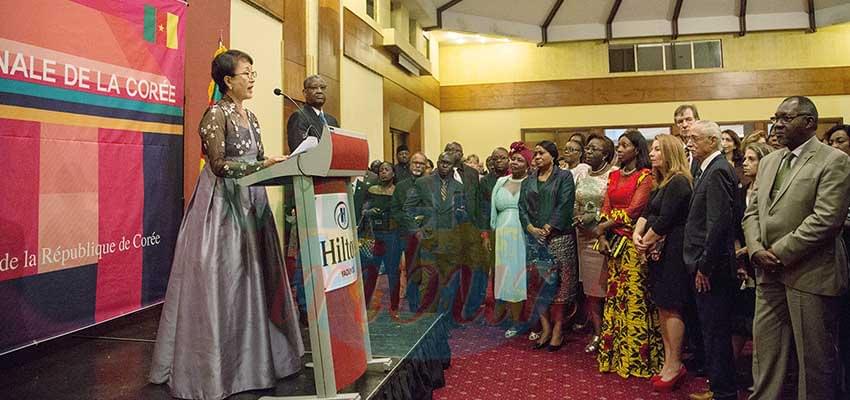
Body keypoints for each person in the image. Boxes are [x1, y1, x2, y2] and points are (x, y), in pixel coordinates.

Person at [150, 50, 304, 400]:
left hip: (252, 203)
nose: (252, 78)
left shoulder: (250, 115)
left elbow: (256, 157)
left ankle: (259, 361)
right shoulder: (214, 115)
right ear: (227, 81)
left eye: (253, 72)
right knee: (225, 279)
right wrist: (261, 164)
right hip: (222, 205)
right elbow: (219, 165)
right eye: (246, 73)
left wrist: (270, 163)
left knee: (256, 279)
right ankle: (219, 370)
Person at [744, 96, 850, 400]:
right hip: (767, 273)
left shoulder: (833, 160)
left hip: (810, 273)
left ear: (810, 123)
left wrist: (778, 252)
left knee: (814, 362)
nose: (777, 124)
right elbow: (752, 213)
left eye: (786, 118)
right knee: (765, 356)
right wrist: (755, 250)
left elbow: (827, 219)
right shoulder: (768, 161)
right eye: (775, 117)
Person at [596, 129, 662, 378]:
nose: (620, 149)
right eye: (618, 145)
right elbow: (605, 207)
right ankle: (615, 356)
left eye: (624, 145)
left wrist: (603, 227)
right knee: (614, 297)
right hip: (611, 243)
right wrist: (601, 235)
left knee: (634, 300)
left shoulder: (645, 176)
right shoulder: (613, 175)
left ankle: (636, 358)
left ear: (637, 149)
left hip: (634, 242)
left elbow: (635, 210)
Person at [683, 120, 740, 400]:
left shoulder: (717, 171)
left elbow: (718, 224)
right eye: (689, 137)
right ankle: (719, 388)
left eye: (695, 138)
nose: (689, 142)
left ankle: (724, 392)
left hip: (712, 269)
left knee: (716, 333)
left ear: (712, 142)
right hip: (706, 264)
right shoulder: (708, 169)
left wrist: (704, 267)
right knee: (711, 330)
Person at [633, 134, 693, 392]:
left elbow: (666, 219)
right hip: (657, 248)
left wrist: (643, 242)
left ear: (670, 152)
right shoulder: (660, 182)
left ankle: (675, 363)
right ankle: (669, 362)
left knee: (672, 306)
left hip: (673, 251)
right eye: (651, 149)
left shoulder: (679, 181)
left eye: (657, 149)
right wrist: (637, 234)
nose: (652, 153)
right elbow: (648, 213)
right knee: (662, 307)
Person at [519, 140, 578, 352]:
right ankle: (545, 328)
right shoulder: (528, 181)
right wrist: (530, 228)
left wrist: (548, 227)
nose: (536, 157)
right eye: (534, 154)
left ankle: (558, 330)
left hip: (559, 238)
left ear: (552, 156)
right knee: (537, 285)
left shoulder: (564, 177)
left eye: (541, 153)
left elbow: (565, 204)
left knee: (561, 287)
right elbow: (522, 208)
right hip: (534, 240)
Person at [404, 152, 469, 315]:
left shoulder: (458, 186)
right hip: (429, 239)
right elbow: (407, 209)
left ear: (453, 166)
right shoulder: (422, 183)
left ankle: (445, 319)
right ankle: (425, 320)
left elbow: (463, 213)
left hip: (451, 241)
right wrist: (417, 231)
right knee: (428, 283)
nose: (444, 165)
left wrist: (462, 215)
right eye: (442, 162)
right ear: (437, 163)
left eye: (448, 163)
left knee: (450, 283)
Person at [573, 134, 616, 353]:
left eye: (594, 149)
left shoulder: (613, 175)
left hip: (604, 236)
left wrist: (595, 221)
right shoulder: (582, 173)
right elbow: (576, 202)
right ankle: (597, 332)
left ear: (606, 154)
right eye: (587, 148)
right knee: (590, 290)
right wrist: (577, 217)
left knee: (607, 288)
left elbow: (614, 207)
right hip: (582, 237)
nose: (588, 152)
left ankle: (611, 332)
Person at [444, 142, 490, 321]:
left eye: (458, 151)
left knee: (471, 271)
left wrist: (482, 230)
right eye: (450, 150)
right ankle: (451, 312)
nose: (454, 154)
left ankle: (470, 308)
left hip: (471, 230)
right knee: (452, 273)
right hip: (449, 231)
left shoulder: (472, 173)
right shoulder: (440, 173)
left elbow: (478, 202)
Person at [492, 142, 532, 338]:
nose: (515, 162)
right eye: (513, 159)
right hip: (501, 232)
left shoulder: (531, 182)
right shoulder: (501, 181)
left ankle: (520, 320)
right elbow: (493, 207)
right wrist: (492, 230)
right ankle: (508, 316)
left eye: (520, 160)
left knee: (519, 275)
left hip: (521, 233)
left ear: (528, 164)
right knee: (504, 274)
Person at [361, 162, 402, 318]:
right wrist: (369, 211)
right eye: (381, 170)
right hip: (375, 236)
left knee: (393, 273)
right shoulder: (372, 190)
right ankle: (365, 306)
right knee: (371, 271)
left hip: (392, 235)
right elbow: (363, 210)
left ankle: (394, 307)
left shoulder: (398, 191)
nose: (383, 173)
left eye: (387, 170)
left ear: (393, 173)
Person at [392, 152, 429, 313]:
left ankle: (428, 305)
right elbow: (396, 210)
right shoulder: (401, 186)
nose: (418, 166)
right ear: (410, 165)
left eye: (421, 163)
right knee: (412, 271)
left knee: (428, 271)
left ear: (426, 166)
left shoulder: (431, 185)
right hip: (409, 236)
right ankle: (414, 307)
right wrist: (412, 224)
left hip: (428, 235)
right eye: (415, 163)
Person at [286, 74, 339, 153]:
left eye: (322, 88)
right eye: (314, 88)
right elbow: (299, 152)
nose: (319, 91)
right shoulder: (299, 116)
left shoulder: (332, 121)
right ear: (305, 93)